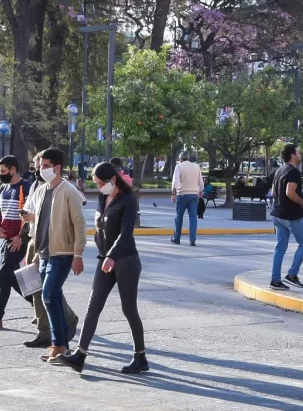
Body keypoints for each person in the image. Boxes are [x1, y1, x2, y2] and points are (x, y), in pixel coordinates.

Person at [57, 161, 148, 375]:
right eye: (96, 183)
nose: (98, 187)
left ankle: (140, 356)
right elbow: (101, 228)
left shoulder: (128, 200)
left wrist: (111, 255)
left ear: (113, 180)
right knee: (92, 307)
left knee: (129, 309)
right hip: (104, 259)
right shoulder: (102, 197)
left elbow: (126, 234)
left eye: (100, 183)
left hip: (125, 260)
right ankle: (80, 355)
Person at [20, 149, 86, 363]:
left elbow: (79, 223)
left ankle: (59, 344)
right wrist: (38, 251)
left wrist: (78, 254)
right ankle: (61, 347)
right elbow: (39, 221)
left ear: (57, 168)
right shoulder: (41, 190)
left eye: (46, 166)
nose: (41, 169)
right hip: (45, 253)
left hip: (63, 253)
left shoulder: (69, 191)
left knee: (48, 295)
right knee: (53, 297)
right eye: (40, 166)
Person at [0, 155, 33, 331]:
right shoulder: (2, 187)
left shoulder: (26, 187)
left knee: (4, 275)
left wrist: (21, 236)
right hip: (4, 240)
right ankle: (38, 305)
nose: (0, 174)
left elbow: (30, 216)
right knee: (10, 278)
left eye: (3, 171)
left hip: (18, 241)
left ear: (13, 169)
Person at [270, 143, 303, 290]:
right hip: (291, 215)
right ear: (293, 155)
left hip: (277, 214)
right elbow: (290, 192)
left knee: (280, 248)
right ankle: (292, 274)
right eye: (299, 153)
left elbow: (274, 193)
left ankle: (275, 280)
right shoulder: (293, 172)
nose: (300, 155)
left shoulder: (279, 171)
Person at [170, 151, 203, 246]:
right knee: (193, 217)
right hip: (194, 195)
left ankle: (177, 238)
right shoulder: (196, 167)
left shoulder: (179, 167)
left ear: (180, 159)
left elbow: (175, 181)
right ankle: (192, 240)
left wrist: (173, 193)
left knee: (179, 216)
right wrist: (200, 191)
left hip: (182, 194)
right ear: (188, 158)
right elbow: (200, 182)